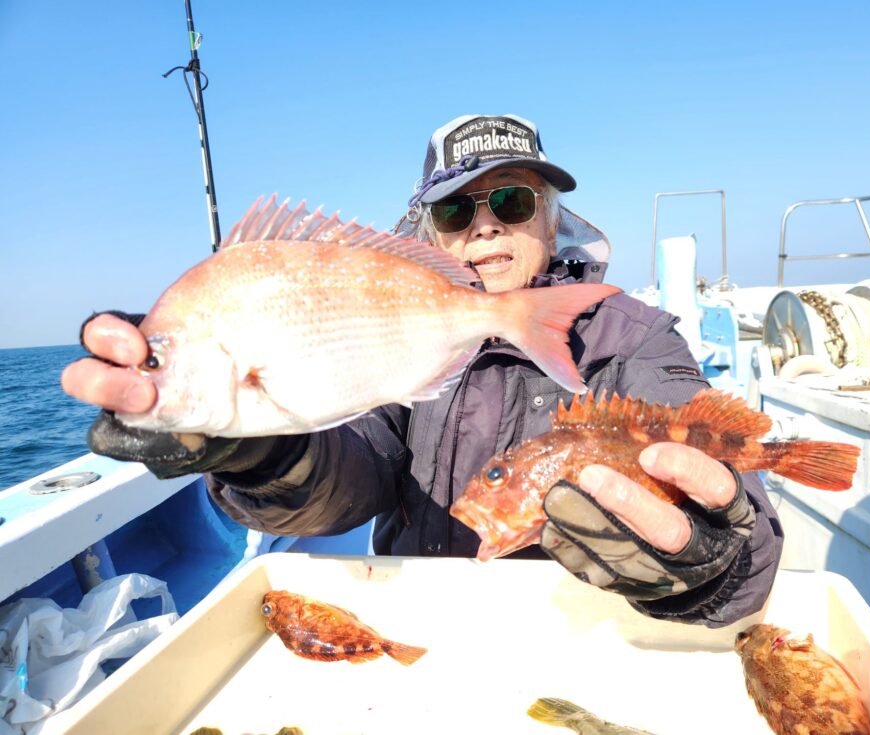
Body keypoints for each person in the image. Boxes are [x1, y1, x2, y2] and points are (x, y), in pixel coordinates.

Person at [62, 113, 782, 628]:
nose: (486, 225)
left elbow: (723, 481)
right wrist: (260, 451)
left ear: (550, 216)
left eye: (511, 199)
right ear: (428, 233)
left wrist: (714, 553)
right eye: (456, 209)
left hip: (581, 627)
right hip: (418, 620)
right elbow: (352, 477)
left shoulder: (630, 338)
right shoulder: (406, 338)